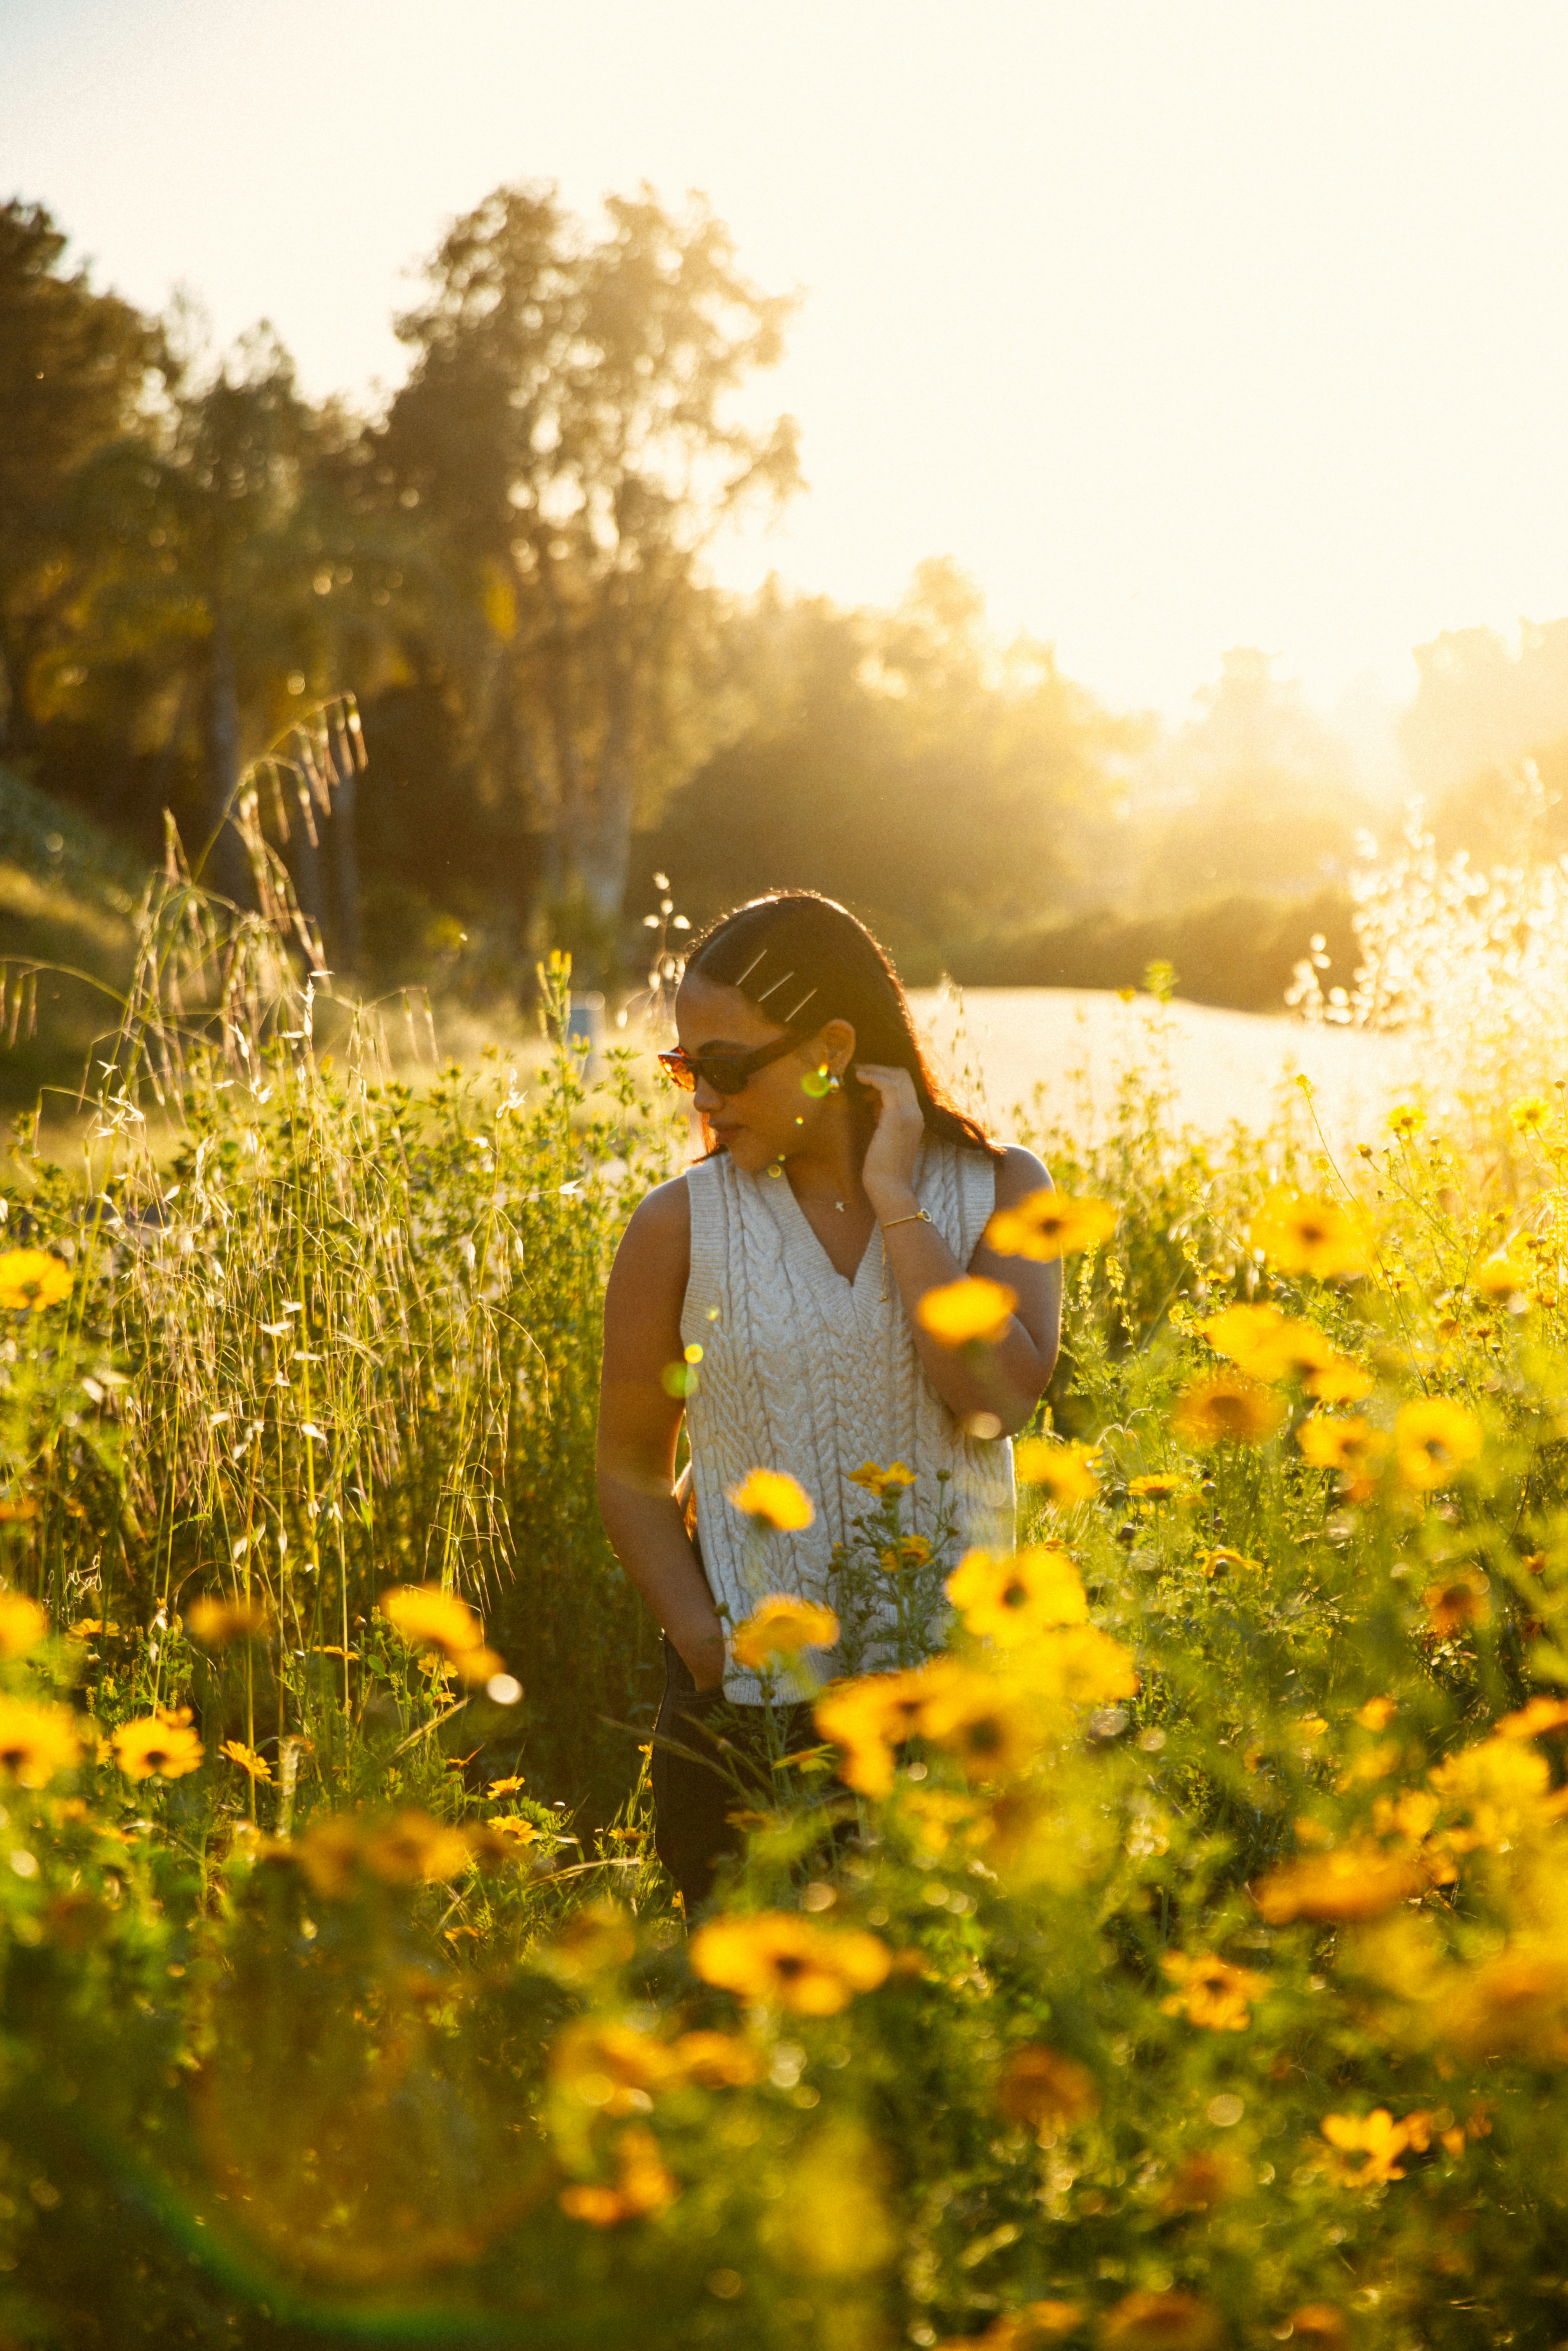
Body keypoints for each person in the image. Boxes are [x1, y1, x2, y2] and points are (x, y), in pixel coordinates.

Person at [595, 892, 1061, 1909]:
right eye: (685, 1068)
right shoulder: (678, 1227)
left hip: (953, 1712)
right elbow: (630, 1468)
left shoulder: (1001, 1189)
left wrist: (899, 1201)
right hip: (751, 1729)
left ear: (833, 1048)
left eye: (724, 1068)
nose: (701, 1102)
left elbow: (993, 1403)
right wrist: (709, 1654)